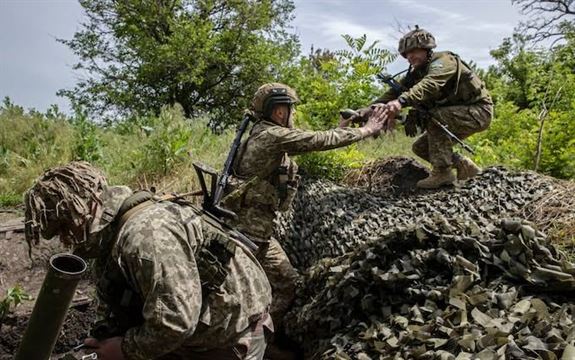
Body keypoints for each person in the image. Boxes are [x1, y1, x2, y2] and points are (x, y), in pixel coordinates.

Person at [24, 161, 273, 360]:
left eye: (63, 229)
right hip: (194, 336)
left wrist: (124, 350)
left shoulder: (145, 236)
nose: (66, 242)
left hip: (230, 338)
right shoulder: (113, 234)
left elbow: (176, 321)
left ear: (82, 212)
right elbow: (114, 295)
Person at [221, 82, 387, 330]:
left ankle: (263, 334)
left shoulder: (263, 132)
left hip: (260, 232)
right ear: (279, 112)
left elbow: (313, 139)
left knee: (288, 282)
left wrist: (341, 129)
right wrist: (366, 130)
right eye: (291, 109)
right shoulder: (271, 136)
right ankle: (238, 340)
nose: (293, 115)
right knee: (238, 292)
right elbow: (316, 140)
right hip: (246, 234)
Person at [373, 26, 493, 189]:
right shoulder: (416, 73)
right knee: (421, 147)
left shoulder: (444, 61)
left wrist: (401, 102)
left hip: (479, 111)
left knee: (435, 117)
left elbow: (429, 85)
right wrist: (366, 110)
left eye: (413, 51)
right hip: (458, 113)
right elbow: (391, 94)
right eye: (406, 54)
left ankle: (443, 173)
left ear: (426, 49)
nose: (409, 57)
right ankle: (462, 164)